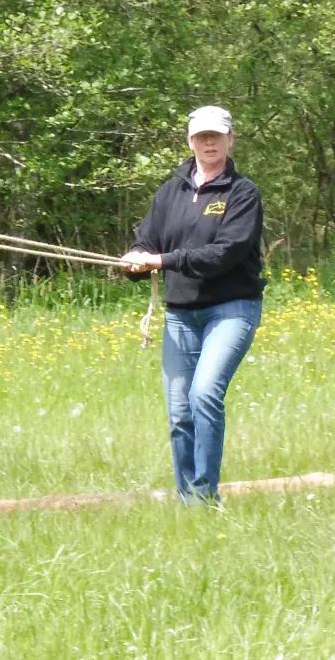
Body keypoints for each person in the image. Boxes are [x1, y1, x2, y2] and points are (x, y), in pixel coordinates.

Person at [121, 105, 266, 505]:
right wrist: (135, 260)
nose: (209, 143)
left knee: (204, 394)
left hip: (232, 309)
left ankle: (205, 495)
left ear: (230, 139)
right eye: (202, 136)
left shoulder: (243, 193)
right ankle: (189, 501)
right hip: (180, 315)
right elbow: (146, 241)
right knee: (180, 411)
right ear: (190, 142)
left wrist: (163, 261)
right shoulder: (170, 191)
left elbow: (225, 253)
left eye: (216, 136)